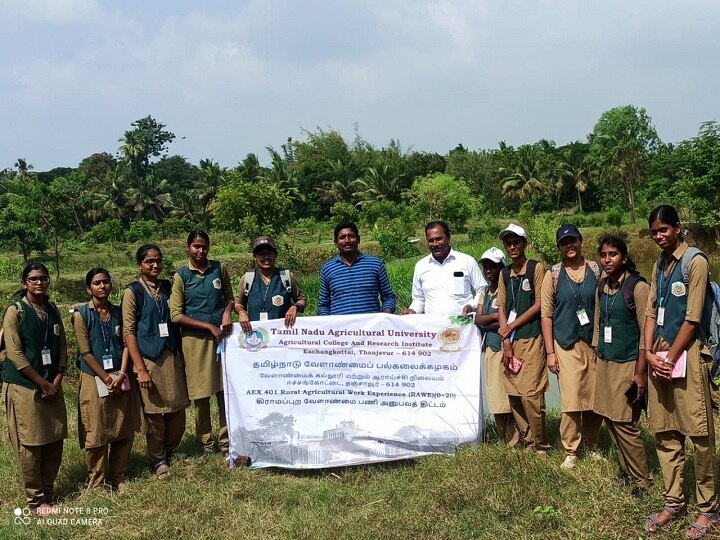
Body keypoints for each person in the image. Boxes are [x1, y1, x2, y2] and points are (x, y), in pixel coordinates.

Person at [642, 205, 718, 538]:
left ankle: (708, 509)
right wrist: (648, 354)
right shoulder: (659, 265)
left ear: (677, 228)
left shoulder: (695, 262)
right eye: (654, 231)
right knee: (665, 431)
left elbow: (692, 318)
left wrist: (670, 357)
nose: (659, 236)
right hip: (659, 357)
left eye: (664, 230)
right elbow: (650, 312)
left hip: (687, 356)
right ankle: (673, 501)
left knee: (699, 435)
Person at [2, 263, 67, 513]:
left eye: (43, 278)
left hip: (52, 384)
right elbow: (16, 354)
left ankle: (49, 493)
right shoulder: (15, 311)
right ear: (24, 283)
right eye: (33, 279)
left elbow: (62, 345)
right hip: (25, 387)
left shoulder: (51, 309)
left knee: (53, 438)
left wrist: (58, 378)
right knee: (30, 444)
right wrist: (42, 383)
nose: (39, 283)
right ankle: (35, 500)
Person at [592, 236, 652, 497]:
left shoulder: (637, 288)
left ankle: (642, 481)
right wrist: (597, 353)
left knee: (625, 421)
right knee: (608, 417)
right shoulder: (602, 286)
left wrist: (640, 373)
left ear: (624, 258)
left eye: (613, 254)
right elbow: (597, 324)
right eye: (604, 255)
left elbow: (644, 332)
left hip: (628, 362)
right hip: (605, 360)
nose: (607, 259)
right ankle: (626, 471)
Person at [123, 244, 189, 479]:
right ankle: (158, 459)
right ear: (140, 265)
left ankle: (171, 450)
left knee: (177, 410)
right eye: (149, 261)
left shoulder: (168, 287)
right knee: (154, 413)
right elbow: (129, 332)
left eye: (158, 260)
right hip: (148, 359)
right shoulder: (133, 292)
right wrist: (139, 369)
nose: (155, 265)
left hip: (171, 355)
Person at [73, 268, 141, 491]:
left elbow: (125, 345)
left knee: (123, 426)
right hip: (94, 377)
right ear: (88, 288)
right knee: (96, 430)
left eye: (105, 282)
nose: (102, 286)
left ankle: (118, 474)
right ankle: (97, 479)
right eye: (96, 283)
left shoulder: (119, 312)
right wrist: (106, 378)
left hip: (120, 375)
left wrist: (121, 374)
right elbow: (86, 352)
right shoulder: (81, 315)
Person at [541, 224, 602, 469]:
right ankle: (571, 449)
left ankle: (592, 443)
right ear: (559, 247)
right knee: (570, 397)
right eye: (564, 242)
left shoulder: (596, 269)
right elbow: (546, 315)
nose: (570, 246)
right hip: (565, 344)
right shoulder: (552, 274)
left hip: (593, 343)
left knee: (594, 396)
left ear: (581, 241)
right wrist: (550, 352)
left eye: (573, 240)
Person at [170, 231, 234, 462]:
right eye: (196, 246)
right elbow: (176, 315)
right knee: (201, 393)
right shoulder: (181, 276)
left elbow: (230, 298)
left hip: (222, 338)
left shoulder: (219, 269)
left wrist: (227, 313)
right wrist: (208, 326)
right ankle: (206, 442)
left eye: (204, 246)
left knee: (224, 390)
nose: (201, 251)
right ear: (188, 247)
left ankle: (227, 441)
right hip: (195, 341)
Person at [497, 223, 550, 455]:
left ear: (524, 243)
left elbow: (540, 304)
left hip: (531, 337)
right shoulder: (504, 273)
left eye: (516, 242)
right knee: (514, 393)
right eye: (508, 243)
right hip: (509, 341)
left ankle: (541, 444)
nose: (512, 247)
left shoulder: (536, 268)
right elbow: (501, 306)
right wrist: (506, 338)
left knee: (531, 394)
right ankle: (528, 441)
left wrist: (511, 327)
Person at [475, 247, 517, 444]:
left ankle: (516, 438)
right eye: (486, 267)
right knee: (495, 395)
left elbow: (509, 319)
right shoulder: (484, 291)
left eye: (493, 266)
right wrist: (496, 317)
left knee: (511, 393)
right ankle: (504, 437)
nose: (488, 270)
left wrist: (492, 319)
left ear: (502, 267)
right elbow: (478, 320)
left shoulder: (508, 290)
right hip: (490, 348)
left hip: (508, 346)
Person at [401, 220, 485, 316]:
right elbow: (419, 300)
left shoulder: (467, 261)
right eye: (431, 241)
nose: (435, 244)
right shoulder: (421, 266)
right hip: (432, 326)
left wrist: (472, 305)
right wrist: (412, 310)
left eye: (439, 239)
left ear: (448, 238)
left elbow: (482, 291)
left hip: (462, 325)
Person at [318, 221, 396, 315]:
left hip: (370, 327)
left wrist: (385, 316)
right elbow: (324, 305)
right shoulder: (327, 269)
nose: (347, 240)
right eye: (342, 237)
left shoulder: (375, 264)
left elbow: (388, 297)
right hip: (340, 328)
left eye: (351, 236)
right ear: (336, 243)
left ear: (358, 239)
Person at [234, 235, 306, 333]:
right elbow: (237, 303)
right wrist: (241, 313)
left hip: (282, 334)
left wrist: (295, 307)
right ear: (254, 257)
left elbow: (301, 299)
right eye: (261, 254)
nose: (266, 257)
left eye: (270, 253)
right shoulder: (247, 278)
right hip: (255, 334)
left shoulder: (286, 276)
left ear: (275, 255)